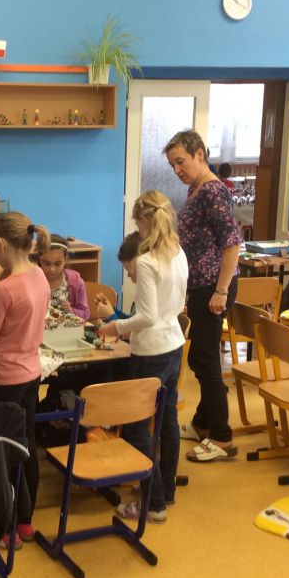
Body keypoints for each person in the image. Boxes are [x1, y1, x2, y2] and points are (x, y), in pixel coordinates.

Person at [98, 191, 188, 521]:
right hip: (173, 344)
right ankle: (166, 490)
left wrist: (115, 326)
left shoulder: (148, 261)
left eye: (137, 224)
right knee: (167, 419)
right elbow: (177, 305)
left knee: (137, 426)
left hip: (150, 350)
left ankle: (154, 502)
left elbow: (147, 316)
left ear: (143, 221)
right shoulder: (177, 252)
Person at [165, 129, 244, 460]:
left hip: (214, 286)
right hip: (201, 286)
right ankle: (202, 423)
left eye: (181, 162)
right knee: (200, 357)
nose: (177, 170)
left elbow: (232, 243)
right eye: (172, 165)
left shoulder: (212, 191)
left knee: (206, 359)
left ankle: (222, 438)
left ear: (200, 154)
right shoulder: (196, 189)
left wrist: (221, 291)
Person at [0, 212, 51, 547]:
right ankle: (25, 520)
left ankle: (6, 525)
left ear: (1, 244)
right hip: (31, 372)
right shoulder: (40, 275)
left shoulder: (3, 290)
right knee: (26, 445)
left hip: (3, 378)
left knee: (2, 451)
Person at [37, 235, 90, 320]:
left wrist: (70, 310)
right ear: (39, 260)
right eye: (46, 263)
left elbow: (85, 314)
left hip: (68, 327)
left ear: (65, 260)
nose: (52, 269)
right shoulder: (33, 281)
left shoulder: (76, 282)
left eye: (57, 264)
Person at [94, 233, 142, 322]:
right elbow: (132, 321)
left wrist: (111, 316)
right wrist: (112, 311)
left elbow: (133, 329)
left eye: (129, 269)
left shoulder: (150, 297)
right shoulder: (141, 293)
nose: (128, 275)